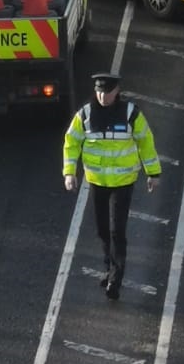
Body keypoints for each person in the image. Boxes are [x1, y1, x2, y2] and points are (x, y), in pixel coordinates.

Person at [63, 70, 161, 301]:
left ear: (117, 91)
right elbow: (71, 143)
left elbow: (146, 142)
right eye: (99, 92)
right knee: (102, 230)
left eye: (107, 93)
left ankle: (116, 279)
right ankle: (109, 267)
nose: (102, 97)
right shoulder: (85, 115)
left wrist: (153, 173)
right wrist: (69, 173)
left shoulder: (130, 114)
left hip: (123, 182)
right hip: (97, 182)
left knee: (118, 231)